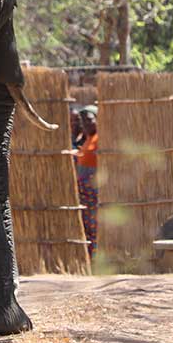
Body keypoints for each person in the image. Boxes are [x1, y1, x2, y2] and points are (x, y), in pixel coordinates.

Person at [75, 106, 99, 257]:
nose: (86, 124)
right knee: (87, 227)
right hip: (85, 194)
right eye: (83, 122)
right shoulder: (86, 140)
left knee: (96, 226)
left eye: (90, 120)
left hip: (94, 192)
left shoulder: (101, 139)